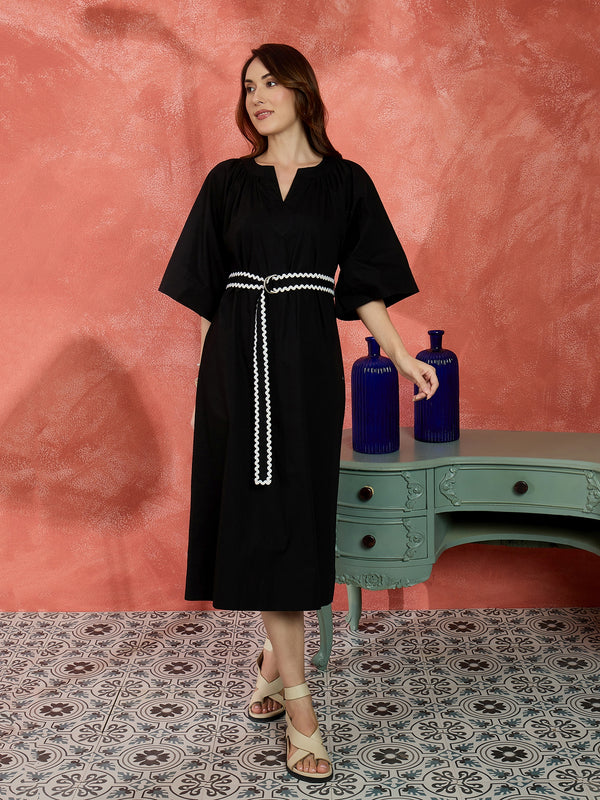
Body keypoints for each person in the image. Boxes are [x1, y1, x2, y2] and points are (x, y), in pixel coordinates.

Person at [159, 43, 438, 783]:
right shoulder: (228, 182)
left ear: (301, 92)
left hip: (309, 371)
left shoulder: (346, 182)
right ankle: (300, 708)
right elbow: (206, 291)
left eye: (271, 82)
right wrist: (218, 381)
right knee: (257, 523)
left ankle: (269, 664)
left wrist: (402, 356)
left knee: (296, 521)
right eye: (248, 85)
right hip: (238, 370)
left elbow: (366, 286)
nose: (257, 96)